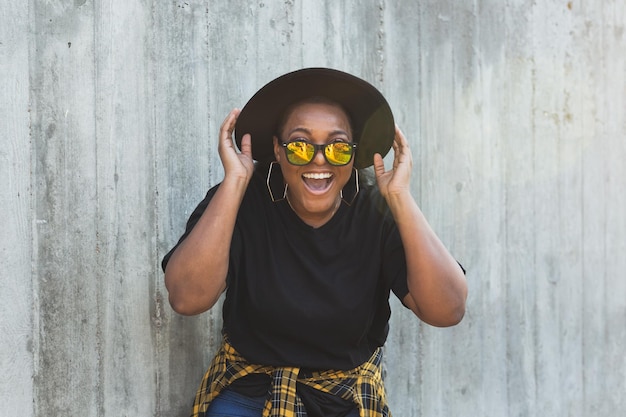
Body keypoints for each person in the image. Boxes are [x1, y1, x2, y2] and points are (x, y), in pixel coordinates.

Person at [162, 68, 467, 417]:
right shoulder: (239, 202)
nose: (319, 159)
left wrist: (399, 198)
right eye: (300, 146)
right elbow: (186, 298)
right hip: (251, 392)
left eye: (337, 147)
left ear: (353, 155)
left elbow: (447, 310)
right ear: (277, 150)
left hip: (344, 398)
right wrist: (234, 182)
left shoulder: (377, 213)